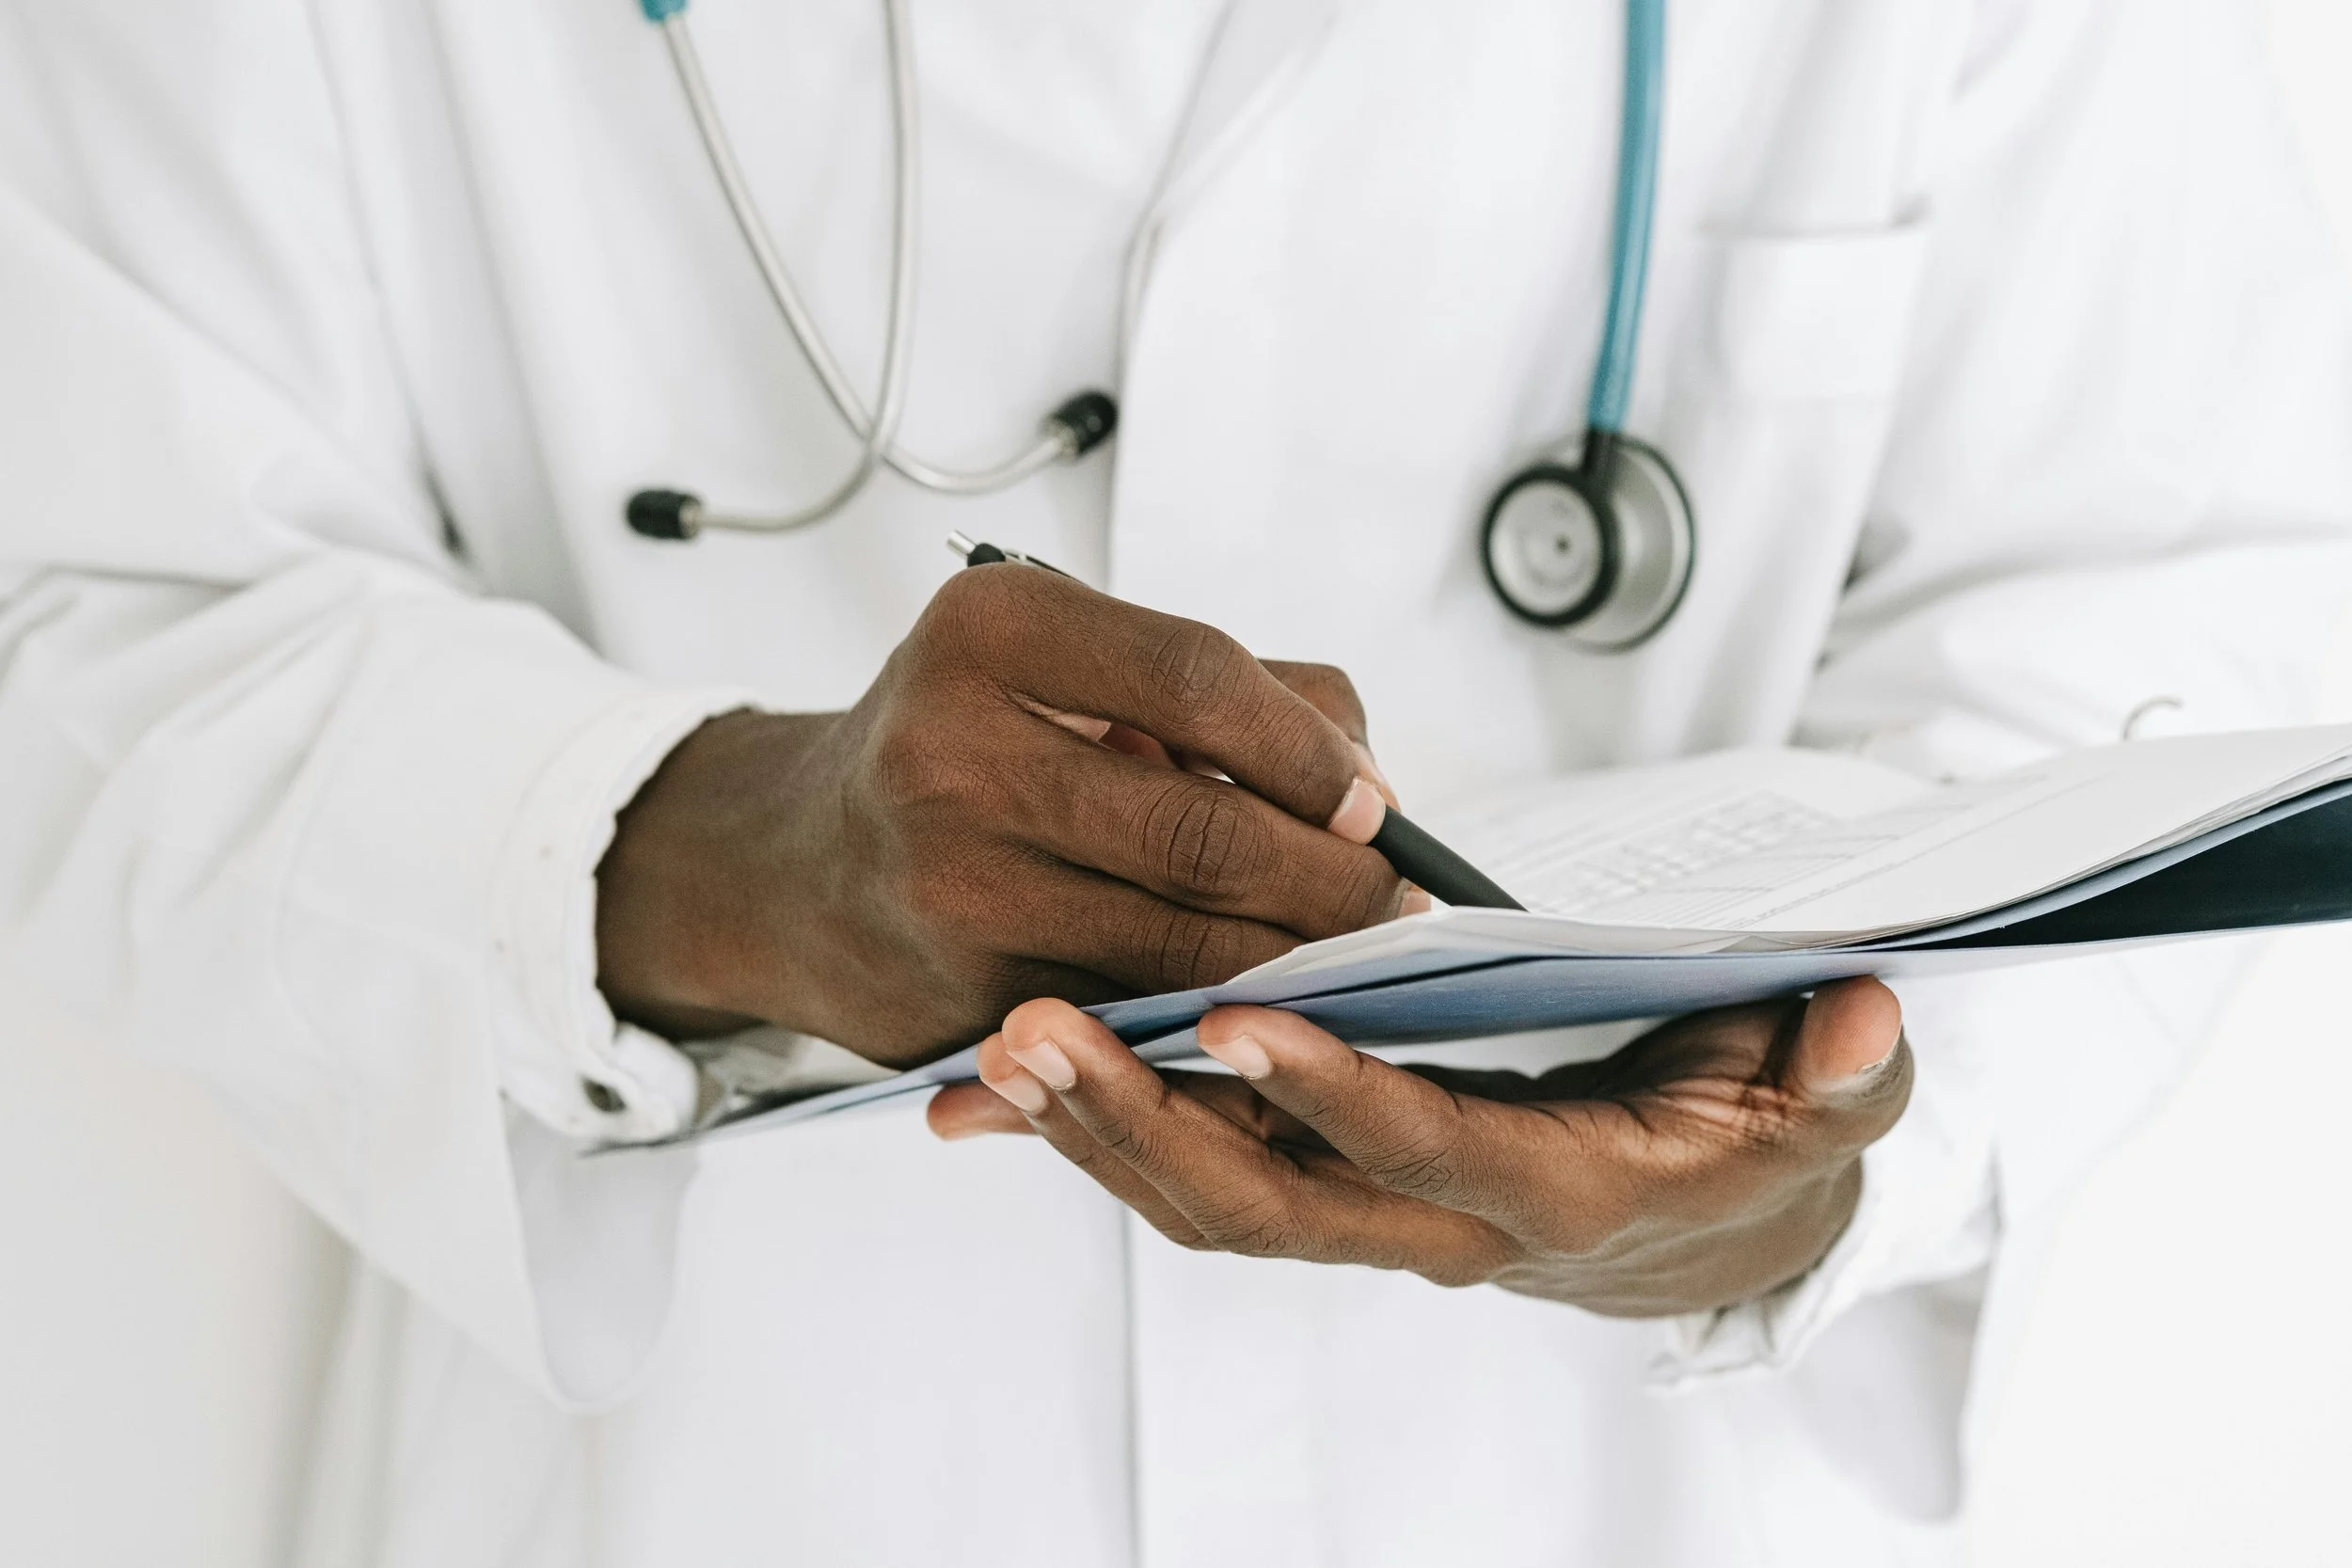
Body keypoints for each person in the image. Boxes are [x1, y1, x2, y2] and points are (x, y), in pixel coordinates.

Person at [3, 0, 2347, 1563]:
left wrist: (1825, 1167)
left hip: (1611, 1481)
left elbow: (2165, 590)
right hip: (742, 1471)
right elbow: (79, 608)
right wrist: (681, 844)